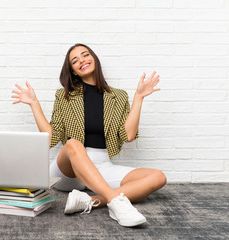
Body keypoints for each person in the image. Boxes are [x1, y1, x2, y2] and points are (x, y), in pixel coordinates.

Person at [11, 43, 167, 227]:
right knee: (73, 144)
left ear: (94, 59)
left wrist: (138, 98)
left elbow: (128, 136)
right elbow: (51, 139)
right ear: (74, 71)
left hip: (101, 166)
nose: (82, 61)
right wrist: (34, 104)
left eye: (85, 55)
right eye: (75, 60)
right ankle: (116, 203)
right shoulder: (64, 96)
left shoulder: (118, 96)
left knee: (158, 177)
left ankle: (91, 201)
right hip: (67, 170)